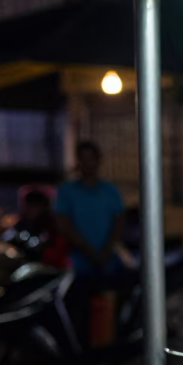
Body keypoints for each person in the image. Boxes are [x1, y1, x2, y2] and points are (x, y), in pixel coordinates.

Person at [56, 141, 125, 344]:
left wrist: (104, 252)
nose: (88, 164)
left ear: (99, 160)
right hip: (79, 264)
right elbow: (63, 224)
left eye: (91, 159)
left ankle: (109, 350)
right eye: (83, 159)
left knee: (111, 310)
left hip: (108, 262)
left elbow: (118, 221)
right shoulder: (67, 191)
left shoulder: (109, 190)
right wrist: (88, 251)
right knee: (79, 312)